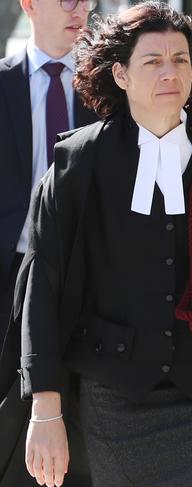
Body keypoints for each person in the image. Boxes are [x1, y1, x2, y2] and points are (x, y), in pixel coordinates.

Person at [0, 2, 192, 486]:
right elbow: (43, 290)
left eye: (181, 59)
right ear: (120, 75)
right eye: (153, 61)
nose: (171, 72)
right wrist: (46, 407)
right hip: (112, 401)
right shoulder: (77, 163)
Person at [0, 0, 98, 353]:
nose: (81, 11)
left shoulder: (110, 89)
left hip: (91, 276)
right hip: (9, 270)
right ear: (29, 5)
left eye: (87, 1)